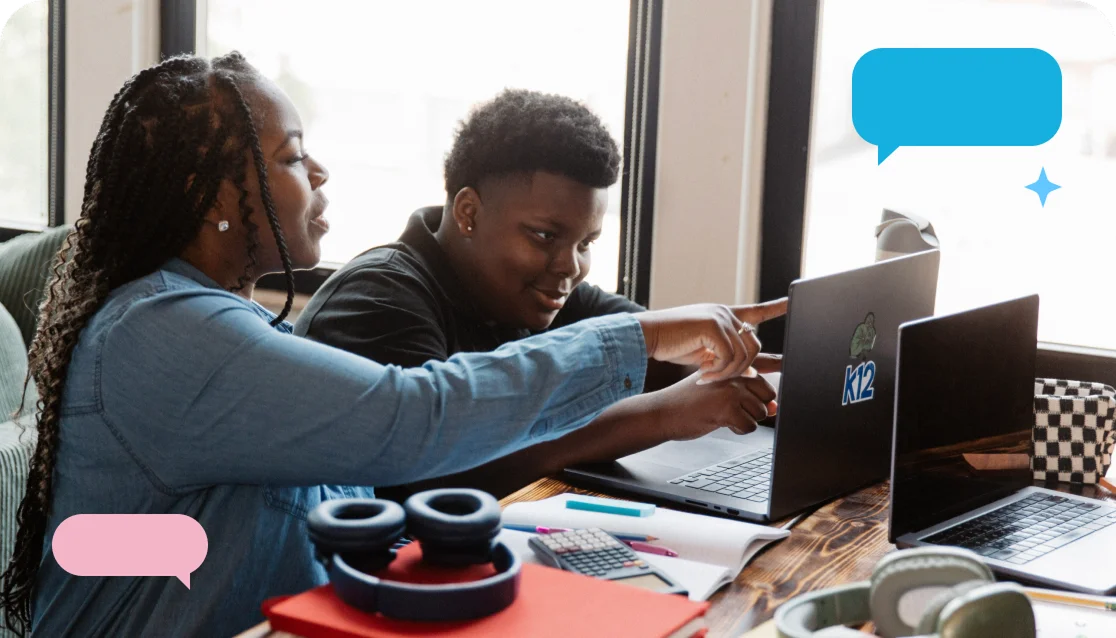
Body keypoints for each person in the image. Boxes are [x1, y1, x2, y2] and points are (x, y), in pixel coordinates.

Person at [0, 54, 769, 637]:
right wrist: (639, 341)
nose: (320, 170)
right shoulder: (163, 334)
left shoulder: (210, 317)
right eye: (293, 156)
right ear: (214, 201)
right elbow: (411, 418)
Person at [295, 89, 785, 502]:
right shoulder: (375, 301)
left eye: (586, 243)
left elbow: (655, 357)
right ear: (468, 213)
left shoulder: (540, 293)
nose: (570, 267)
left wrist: (729, 366)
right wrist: (665, 415)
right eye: (544, 236)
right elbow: (442, 471)